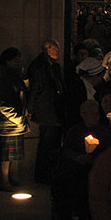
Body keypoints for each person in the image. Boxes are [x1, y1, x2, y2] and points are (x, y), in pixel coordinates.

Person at [54, 100, 111, 220]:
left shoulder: (104, 131)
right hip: (76, 166)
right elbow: (66, 150)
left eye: (96, 114)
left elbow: (109, 151)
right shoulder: (75, 131)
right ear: (83, 114)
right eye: (91, 114)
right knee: (68, 181)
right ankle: (67, 217)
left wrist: (95, 159)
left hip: (98, 167)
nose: (95, 117)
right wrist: (78, 157)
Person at [27, 39, 66, 184]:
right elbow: (35, 89)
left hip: (53, 109)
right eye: (56, 49)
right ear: (48, 49)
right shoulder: (39, 66)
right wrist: (30, 109)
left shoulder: (52, 65)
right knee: (47, 143)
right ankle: (44, 174)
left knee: (52, 142)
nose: (58, 52)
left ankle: (49, 172)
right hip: (47, 110)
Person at [0, 47, 28, 192]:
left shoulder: (12, 74)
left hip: (14, 120)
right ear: (7, 61)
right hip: (9, 121)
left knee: (10, 153)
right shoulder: (3, 76)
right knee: (6, 153)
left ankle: (7, 177)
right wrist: (17, 117)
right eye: (15, 60)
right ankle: (4, 180)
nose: (18, 63)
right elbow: (3, 101)